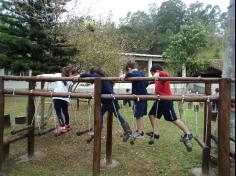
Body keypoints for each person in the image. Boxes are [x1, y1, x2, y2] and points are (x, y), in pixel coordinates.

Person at [78, 67, 132, 142]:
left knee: (101, 113)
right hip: (110, 100)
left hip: (110, 100)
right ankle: (127, 130)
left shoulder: (98, 76)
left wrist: (79, 76)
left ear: (93, 73)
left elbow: (91, 76)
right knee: (115, 114)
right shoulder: (104, 78)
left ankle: (97, 130)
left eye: (91, 74)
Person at [147, 64, 193, 142]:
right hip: (159, 100)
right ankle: (156, 133)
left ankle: (188, 133)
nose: (152, 76)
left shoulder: (162, 76)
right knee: (151, 115)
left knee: (173, 119)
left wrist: (159, 73)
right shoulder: (157, 79)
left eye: (152, 73)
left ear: (155, 71)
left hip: (166, 101)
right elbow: (150, 81)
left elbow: (166, 74)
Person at [37, 65, 78, 135]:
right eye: (72, 73)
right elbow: (50, 76)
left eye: (73, 73)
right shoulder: (70, 78)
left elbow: (50, 76)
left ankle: (63, 126)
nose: (73, 74)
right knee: (65, 111)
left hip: (58, 97)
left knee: (59, 112)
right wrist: (42, 75)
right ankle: (67, 125)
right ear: (69, 72)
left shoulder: (60, 75)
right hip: (64, 97)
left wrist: (41, 75)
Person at [124, 60, 148, 139]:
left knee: (138, 115)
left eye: (128, 70)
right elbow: (146, 83)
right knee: (138, 115)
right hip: (142, 96)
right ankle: (138, 130)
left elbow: (130, 74)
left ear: (129, 68)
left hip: (140, 97)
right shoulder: (141, 73)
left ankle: (140, 133)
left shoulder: (136, 73)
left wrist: (125, 75)